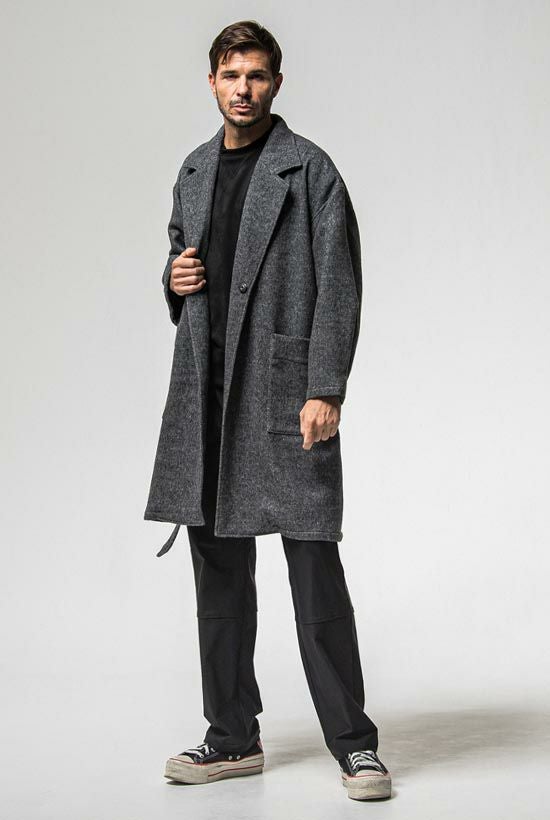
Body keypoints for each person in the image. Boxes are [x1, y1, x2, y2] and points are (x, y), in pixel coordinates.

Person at [146, 20, 392, 801]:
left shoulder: (309, 170)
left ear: (276, 83)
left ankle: (355, 746)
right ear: (212, 83)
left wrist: (326, 387)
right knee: (218, 578)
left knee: (313, 565)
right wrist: (174, 279)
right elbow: (185, 267)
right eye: (231, 75)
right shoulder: (193, 169)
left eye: (255, 75)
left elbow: (339, 285)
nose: (243, 89)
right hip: (208, 395)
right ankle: (231, 738)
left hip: (284, 394)